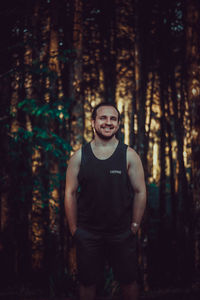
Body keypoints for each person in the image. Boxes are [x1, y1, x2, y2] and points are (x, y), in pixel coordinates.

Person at [65, 103, 146, 300]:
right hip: (88, 233)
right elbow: (70, 193)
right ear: (93, 122)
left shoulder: (129, 155)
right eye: (103, 118)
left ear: (118, 124)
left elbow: (140, 191)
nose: (108, 122)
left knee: (128, 280)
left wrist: (134, 226)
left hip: (121, 233)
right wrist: (74, 229)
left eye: (113, 119)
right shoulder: (79, 156)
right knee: (87, 282)